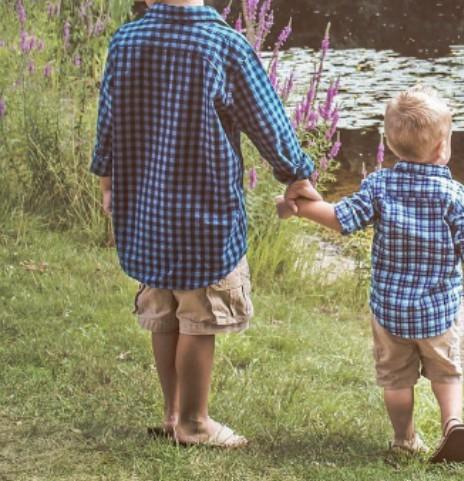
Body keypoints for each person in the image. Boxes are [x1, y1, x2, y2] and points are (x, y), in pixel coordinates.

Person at [91, 0, 320, 448]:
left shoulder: (126, 40)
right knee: (198, 317)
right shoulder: (223, 45)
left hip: (146, 210)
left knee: (164, 311)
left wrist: (107, 179)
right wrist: (295, 173)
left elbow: (108, 119)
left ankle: (172, 413)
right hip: (204, 214)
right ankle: (194, 423)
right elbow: (267, 120)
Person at [277, 85, 464, 463]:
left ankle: (404, 439)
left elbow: (340, 219)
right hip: (437, 312)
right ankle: (453, 424)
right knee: (446, 374)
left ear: (389, 143)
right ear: (442, 148)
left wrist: (300, 208)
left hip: (390, 311)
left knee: (396, 380)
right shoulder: (452, 195)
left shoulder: (380, 186)